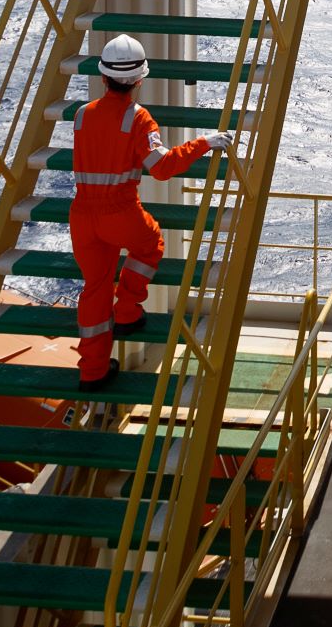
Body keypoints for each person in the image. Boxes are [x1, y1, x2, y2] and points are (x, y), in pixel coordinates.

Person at [70, 36, 234, 388]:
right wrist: (203, 143)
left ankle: (92, 371)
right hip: (120, 212)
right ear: (140, 81)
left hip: (82, 217)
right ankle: (128, 310)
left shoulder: (82, 115)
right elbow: (161, 167)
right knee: (150, 244)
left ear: (103, 78)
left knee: (95, 288)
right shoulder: (138, 119)